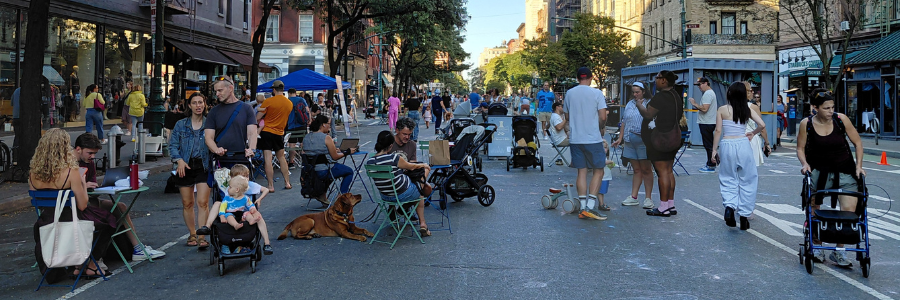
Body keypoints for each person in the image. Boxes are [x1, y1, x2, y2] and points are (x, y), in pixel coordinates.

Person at [30, 129, 114, 279]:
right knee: (108, 220)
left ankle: (79, 266)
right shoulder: (70, 172)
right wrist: (82, 182)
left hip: (46, 221)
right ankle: (90, 265)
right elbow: (82, 205)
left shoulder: (33, 174)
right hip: (70, 219)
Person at [796, 88, 866, 267]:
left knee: (849, 211)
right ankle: (817, 246)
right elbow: (800, 148)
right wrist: (804, 164)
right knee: (814, 207)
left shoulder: (841, 120)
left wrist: (858, 166)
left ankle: (839, 251)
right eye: (826, 108)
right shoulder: (807, 124)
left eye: (832, 107)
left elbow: (857, 143)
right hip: (819, 171)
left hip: (844, 169)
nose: (831, 111)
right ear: (815, 107)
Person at [195, 75, 265, 252]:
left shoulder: (246, 109)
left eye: (220, 90)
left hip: (242, 160)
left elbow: (252, 132)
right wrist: (215, 149)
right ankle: (226, 238)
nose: (217, 94)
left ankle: (247, 236)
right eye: (215, 91)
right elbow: (208, 137)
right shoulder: (214, 111)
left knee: (245, 197)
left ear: (230, 88)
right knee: (226, 199)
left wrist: (252, 149)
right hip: (222, 162)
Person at [74, 132, 166, 261]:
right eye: (90, 153)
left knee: (121, 207)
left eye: (94, 154)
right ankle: (97, 256)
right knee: (105, 211)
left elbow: (93, 186)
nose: (93, 157)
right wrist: (83, 185)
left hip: (90, 199)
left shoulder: (89, 163)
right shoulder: (70, 166)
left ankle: (137, 248)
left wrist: (96, 187)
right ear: (78, 149)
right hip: (78, 203)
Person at [711, 82, 766, 230]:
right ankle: (744, 216)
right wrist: (752, 134)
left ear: (729, 94)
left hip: (727, 143)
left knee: (728, 177)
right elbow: (762, 124)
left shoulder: (722, 109)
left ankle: (729, 207)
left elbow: (717, 130)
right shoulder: (746, 109)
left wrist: (714, 150)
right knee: (748, 180)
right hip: (743, 143)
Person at [368, 130, 434, 237]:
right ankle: (423, 224)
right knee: (423, 179)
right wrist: (424, 165)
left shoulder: (370, 161)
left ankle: (422, 224)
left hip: (385, 196)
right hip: (402, 195)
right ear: (390, 146)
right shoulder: (394, 158)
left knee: (418, 191)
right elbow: (411, 166)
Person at [635, 70, 683, 217]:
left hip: (661, 140)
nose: (655, 80)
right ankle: (670, 203)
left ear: (664, 81)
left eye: (657, 78)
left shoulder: (660, 97)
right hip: (673, 138)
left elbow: (648, 114)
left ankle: (663, 207)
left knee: (662, 173)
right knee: (668, 171)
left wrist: (639, 105)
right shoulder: (676, 96)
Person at [169, 93, 213, 248]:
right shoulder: (181, 125)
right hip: (185, 165)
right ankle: (192, 234)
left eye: (201, 102)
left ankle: (202, 235)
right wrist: (179, 160)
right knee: (187, 202)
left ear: (205, 104)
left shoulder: (209, 124)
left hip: (203, 165)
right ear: (189, 105)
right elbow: (173, 145)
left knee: (203, 202)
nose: (198, 105)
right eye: (194, 103)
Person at [563, 67, 608, 221]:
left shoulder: (569, 93)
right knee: (599, 170)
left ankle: (582, 207)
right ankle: (589, 206)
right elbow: (602, 116)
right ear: (591, 78)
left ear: (577, 78)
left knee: (581, 171)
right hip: (592, 138)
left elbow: (567, 116)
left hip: (576, 138)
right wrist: (601, 126)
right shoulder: (597, 93)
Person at [612, 82, 655, 209]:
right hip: (629, 139)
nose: (635, 94)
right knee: (636, 169)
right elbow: (624, 121)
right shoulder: (630, 104)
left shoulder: (649, 103)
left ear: (643, 91)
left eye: (637, 92)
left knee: (647, 169)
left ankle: (648, 198)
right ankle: (634, 196)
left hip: (643, 139)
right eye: (633, 92)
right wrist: (620, 138)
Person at [304, 114, 358, 203]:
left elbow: (312, 152)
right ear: (323, 125)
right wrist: (347, 152)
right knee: (349, 171)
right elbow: (335, 157)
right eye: (328, 124)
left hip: (310, 170)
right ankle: (342, 195)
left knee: (332, 175)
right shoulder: (326, 138)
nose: (330, 126)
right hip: (324, 169)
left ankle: (322, 195)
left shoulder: (306, 137)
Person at [257, 80, 294, 192]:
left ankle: (270, 185)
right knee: (281, 157)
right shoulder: (289, 103)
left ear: (273, 89)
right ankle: (287, 182)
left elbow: (258, 117)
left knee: (268, 159)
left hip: (267, 132)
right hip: (279, 133)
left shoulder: (269, 101)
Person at [688, 77, 717, 173]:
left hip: (706, 122)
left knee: (708, 145)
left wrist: (694, 103)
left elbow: (704, 109)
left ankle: (711, 164)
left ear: (706, 83)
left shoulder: (708, 94)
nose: (699, 87)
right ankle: (713, 161)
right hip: (709, 121)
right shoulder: (710, 93)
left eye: (700, 84)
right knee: (709, 144)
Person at [745, 85, 771, 166]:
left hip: (735, 138)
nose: (753, 92)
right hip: (750, 138)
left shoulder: (728, 107)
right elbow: (762, 127)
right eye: (750, 90)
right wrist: (766, 143)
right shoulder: (753, 107)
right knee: (750, 169)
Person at [286, 88, 310, 169]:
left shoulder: (287, 101)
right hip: (302, 124)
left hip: (291, 125)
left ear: (289, 93)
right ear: (295, 93)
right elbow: (307, 110)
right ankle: (304, 161)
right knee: (303, 143)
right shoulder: (301, 99)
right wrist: (309, 119)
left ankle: (291, 162)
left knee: (291, 144)